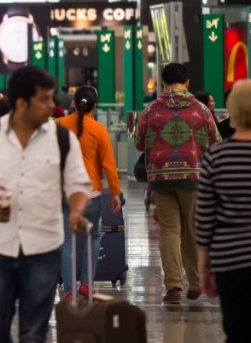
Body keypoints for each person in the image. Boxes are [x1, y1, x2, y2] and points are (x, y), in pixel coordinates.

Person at [0, 67, 90, 343]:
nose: (52, 105)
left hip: (44, 247)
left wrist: (76, 211)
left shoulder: (62, 139)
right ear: (21, 103)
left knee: (34, 332)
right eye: (44, 99)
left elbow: (79, 185)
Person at [136, 62, 219, 303]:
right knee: (193, 229)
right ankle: (195, 283)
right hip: (193, 176)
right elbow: (215, 141)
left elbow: (139, 143)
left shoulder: (150, 110)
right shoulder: (201, 110)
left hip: (161, 178)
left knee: (170, 230)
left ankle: (173, 286)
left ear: (163, 83)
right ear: (187, 83)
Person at [196, 79, 251, 342]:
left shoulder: (216, 157)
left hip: (230, 259)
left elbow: (205, 217)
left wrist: (204, 265)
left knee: (236, 328)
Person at [57, 86, 122, 301]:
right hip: (91, 194)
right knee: (93, 238)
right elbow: (109, 165)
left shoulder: (59, 126)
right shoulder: (99, 129)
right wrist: (114, 192)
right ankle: (86, 284)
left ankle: (68, 290)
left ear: (74, 103)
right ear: (95, 106)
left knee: (67, 241)